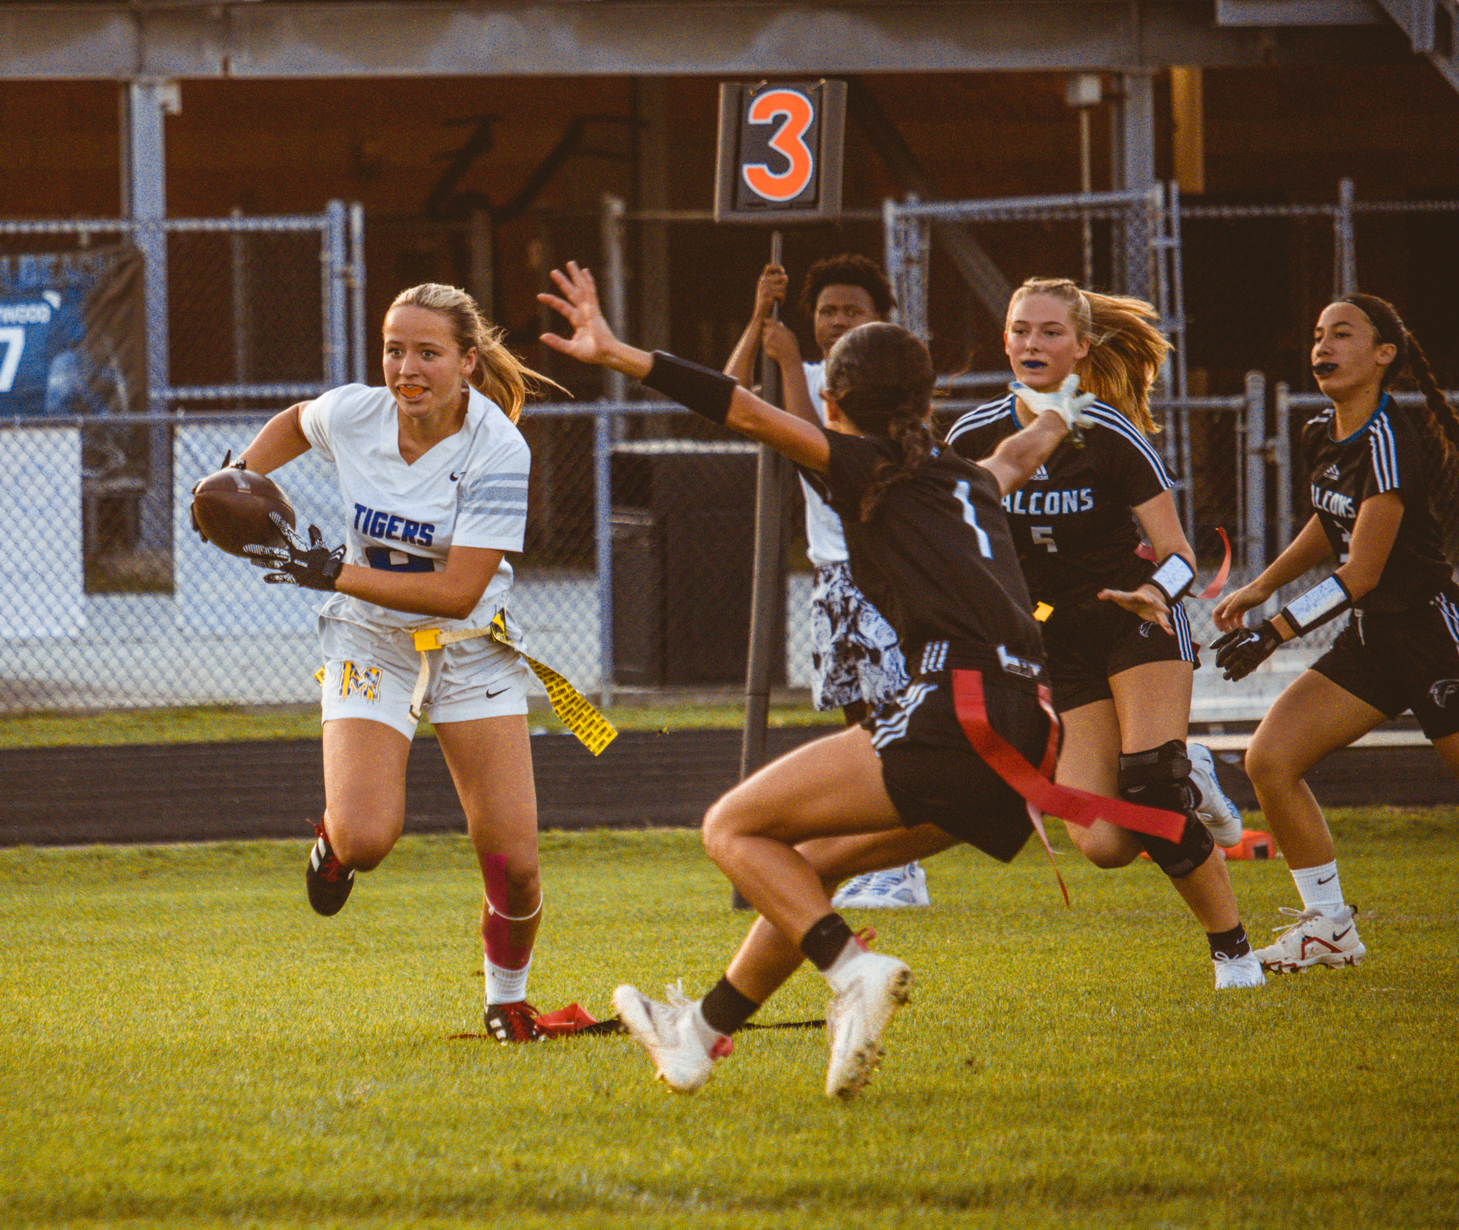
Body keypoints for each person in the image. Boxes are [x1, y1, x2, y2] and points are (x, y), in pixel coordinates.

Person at [538, 262, 1155, 1100]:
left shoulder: (866, 467)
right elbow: (1026, 444)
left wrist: (618, 353)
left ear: (835, 401)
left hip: (960, 707)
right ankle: (700, 1034)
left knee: (732, 828)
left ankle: (850, 970)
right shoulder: (968, 476)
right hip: (1026, 726)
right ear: (928, 404)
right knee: (812, 862)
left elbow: (740, 407)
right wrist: (1076, 391)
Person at [227, 283, 567, 1042]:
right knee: (369, 837)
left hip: (467, 645)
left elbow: (456, 591)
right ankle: (334, 843)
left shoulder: (498, 448)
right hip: (370, 639)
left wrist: (330, 571)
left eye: (426, 352)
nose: (405, 367)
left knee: (515, 863)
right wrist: (239, 476)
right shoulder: (358, 412)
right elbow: (294, 423)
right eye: (392, 348)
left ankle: (506, 1000)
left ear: (469, 363)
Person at [945, 279, 1259, 989]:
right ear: (1005, 340)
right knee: (1104, 840)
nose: (1034, 343)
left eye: (1052, 332)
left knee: (1150, 784)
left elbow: (1182, 556)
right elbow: (958, 547)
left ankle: (1235, 954)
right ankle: (1196, 770)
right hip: (1059, 639)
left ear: (1082, 348)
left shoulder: (1111, 432)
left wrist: (1153, 591)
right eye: (1022, 329)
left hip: (1136, 618)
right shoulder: (970, 436)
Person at [1210, 294, 1459, 972]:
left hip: (1430, 634)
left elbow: (1364, 570)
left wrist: (1275, 629)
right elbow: (1330, 519)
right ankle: (1329, 927)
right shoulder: (1321, 429)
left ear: (1384, 355)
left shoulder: (1388, 438)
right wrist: (1262, 585)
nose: (1323, 345)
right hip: (1375, 638)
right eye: (1319, 333)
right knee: (1270, 760)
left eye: (1342, 334)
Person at [722, 255, 926, 912]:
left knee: (892, 717)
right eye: (827, 311)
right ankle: (869, 856)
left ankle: (903, 864)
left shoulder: (885, 388)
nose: (838, 322)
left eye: (852, 311)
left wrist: (785, 368)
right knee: (857, 721)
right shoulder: (808, 373)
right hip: (830, 574)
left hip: (880, 575)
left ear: (879, 320)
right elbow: (729, 393)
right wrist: (759, 320)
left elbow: (817, 446)